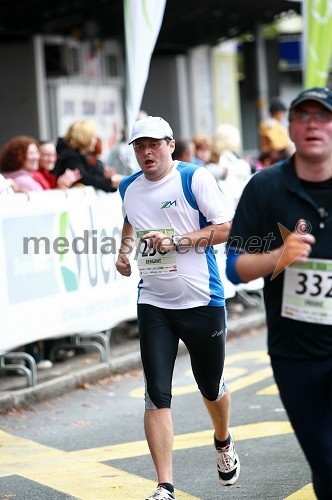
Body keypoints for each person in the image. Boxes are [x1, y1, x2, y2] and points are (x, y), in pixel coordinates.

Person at [116, 116, 240, 500]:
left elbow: (226, 227)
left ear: (170, 144)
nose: (146, 152)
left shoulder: (194, 179)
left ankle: (223, 440)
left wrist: (180, 242)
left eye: (154, 144)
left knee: (210, 384)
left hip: (202, 300)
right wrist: (123, 255)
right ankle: (164, 485)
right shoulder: (128, 187)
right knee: (156, 392)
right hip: (154, 302)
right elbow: (130, 224)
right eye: (139, 146)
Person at [226, 87, 332, 500]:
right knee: (324, 463)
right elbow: (234, 267)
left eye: (321, 117)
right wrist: (276, 257)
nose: (312, 125)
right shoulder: (266, 188)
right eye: (302, 117)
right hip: (295, 353)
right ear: (290, 127)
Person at [0, 135, 54, 369]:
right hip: (28, 253)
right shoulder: (22, 181)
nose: (36, 157)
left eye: (35, 152)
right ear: (17, 156)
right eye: (30, 153)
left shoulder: (17, 179)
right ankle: (35, 353)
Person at [53, 120, 123, 192]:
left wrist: (106, 177)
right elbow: (85, 179)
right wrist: (110, 182)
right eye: (93, 137)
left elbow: (91, 175)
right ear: (84, 138)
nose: (95, 141)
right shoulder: (69, 158)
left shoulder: (80, 157)